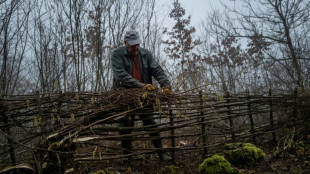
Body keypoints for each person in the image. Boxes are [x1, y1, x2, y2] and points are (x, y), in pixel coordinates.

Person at [111, 30, 172, 161]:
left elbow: (157, 69)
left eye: (138, 44)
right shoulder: (117, 54)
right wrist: (141, 85)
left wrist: (165, 85)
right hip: (124, 95)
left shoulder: (145, 54)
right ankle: (126, 156)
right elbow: (120, 75)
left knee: (150, 122)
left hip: (144, 96)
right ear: (125, 43)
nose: (136, 47)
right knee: (125, 125)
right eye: (133, 45)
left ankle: (161, 152)